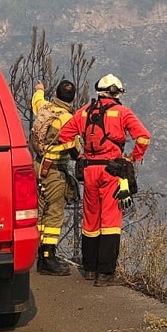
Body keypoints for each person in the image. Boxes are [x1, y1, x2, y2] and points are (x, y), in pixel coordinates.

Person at [57, 74, 150, 286]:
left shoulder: (84, 112)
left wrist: (78, 156)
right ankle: (105, 274)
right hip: (112, 171)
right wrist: (132, 158)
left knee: (90, 220)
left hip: (89, 171)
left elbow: (65, 135)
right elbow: (144, 137)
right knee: (110, 220)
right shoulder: (123, 112)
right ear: (117, 93)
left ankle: (89, 269)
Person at [30, 79, 79, 276]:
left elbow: (37, 100)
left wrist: (40, 89)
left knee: (41, 209)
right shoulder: (68, 119)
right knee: (55, 212)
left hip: (37, 165)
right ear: (72, 98)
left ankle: (39, 251)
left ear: (56, 95)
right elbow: (74, 147)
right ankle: (48, 257)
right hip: (54, 170)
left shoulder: (44, 108)